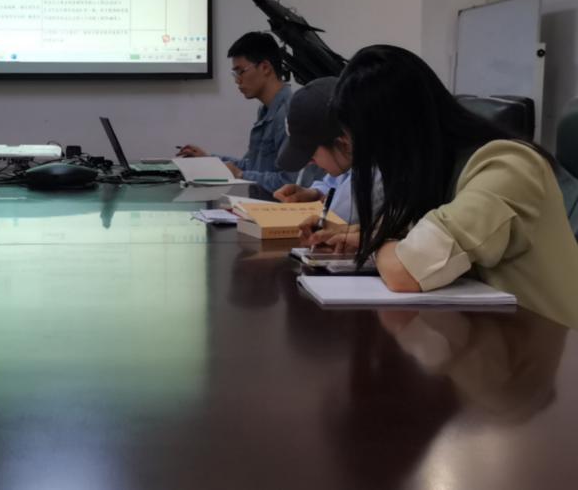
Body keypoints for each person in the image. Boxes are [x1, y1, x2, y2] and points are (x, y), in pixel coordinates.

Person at [310, 45, 578, 317]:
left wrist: (377, 243)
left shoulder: (506, 168)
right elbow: (419, 231)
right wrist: (364, 234)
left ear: (399, 138)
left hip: (549, 337)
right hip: (494, 329)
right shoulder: (442, 171)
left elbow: (405, 271)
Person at [177, 32, 295, 193]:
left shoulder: (288, 114)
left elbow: (290, 183)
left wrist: (240, 175)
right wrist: (209, 160)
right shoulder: (265, 110)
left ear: (265, 67)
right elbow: (252, 165)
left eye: (241, 71)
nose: (237, 80)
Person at [272, 76, 375, 223]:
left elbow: (335, 216)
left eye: (311, 155)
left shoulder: (371, 178)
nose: (309, 163)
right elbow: (333, 182)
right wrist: (315, 193)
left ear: (344, 144)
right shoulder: (353, 155)